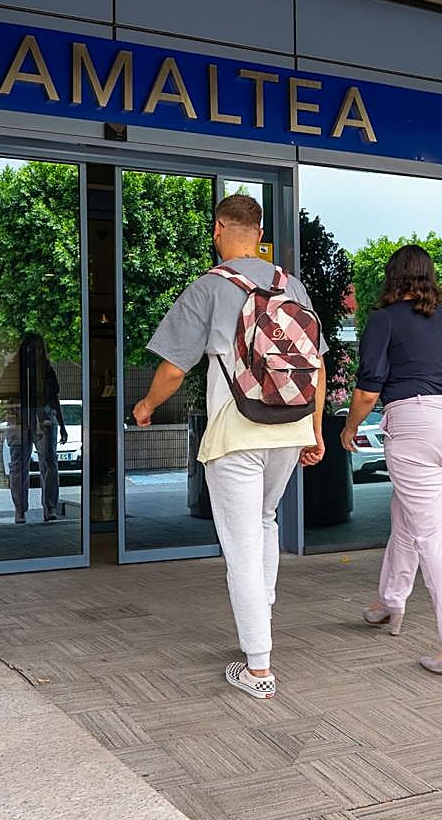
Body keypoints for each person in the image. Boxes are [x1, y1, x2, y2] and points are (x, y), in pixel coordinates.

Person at [133, 194, 326, 700]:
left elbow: (174, 369)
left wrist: (146, 406)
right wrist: (315, 430)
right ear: (259, 233)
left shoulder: (208, 287)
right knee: (264, 522)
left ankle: (258, 668)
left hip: (238, 430)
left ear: (218, 229)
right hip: (291, 428)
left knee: (240, 546)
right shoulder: (291, 285)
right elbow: (317, 365)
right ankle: (260, 619)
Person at [341, 244, 442, 684]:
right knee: (408, 514)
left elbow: (368, 390)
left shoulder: (383, 320)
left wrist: (349, 428)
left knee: (433, 534)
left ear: (393, 277)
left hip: (416, 425)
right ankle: (390, 601)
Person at [5, 332, 68, 523]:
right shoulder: (14, 370)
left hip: (44, 418)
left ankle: (50, 507)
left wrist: (62, 425)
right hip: (20, 418)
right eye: (32, 348)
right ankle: (20, 509)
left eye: (40, 348)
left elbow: (54, 398)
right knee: (18, 465)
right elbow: (4, 395)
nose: (36, 352)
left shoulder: (47, 370)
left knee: (49, 463)